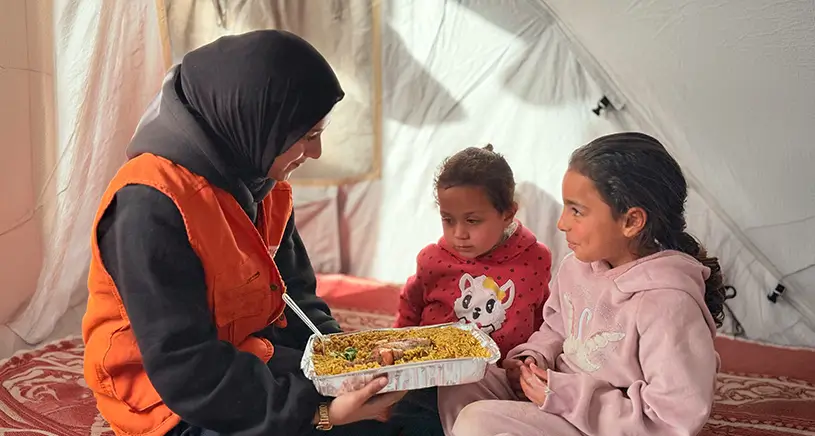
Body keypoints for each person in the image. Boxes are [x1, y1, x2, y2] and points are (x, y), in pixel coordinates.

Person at [82, 30, 404, 436]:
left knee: (400, 408)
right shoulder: (149, 206)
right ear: (258, 121)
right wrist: (320, 413)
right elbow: (186, 369)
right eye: (308, 137)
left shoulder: (261, 181)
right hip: (169, 402)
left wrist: (345, 365)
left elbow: (297, 298)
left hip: (250, 360)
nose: (317, 153)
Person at [447, 132, 728, 436]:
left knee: (476, 422)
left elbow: (672, 418)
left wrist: (564, 395)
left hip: (604, 426)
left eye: (576, 210)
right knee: (460, 375)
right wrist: (533, 358)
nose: (562, 222)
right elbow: (556, 328)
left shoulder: (668, 304)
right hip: (557, 400)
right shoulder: (575, 267)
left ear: (631, 221)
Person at [391, 144, 552, 434]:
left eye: (472, 221)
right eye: (447, 220)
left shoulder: (535, 260)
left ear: (508, 214)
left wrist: (530, 361)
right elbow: (409, 311)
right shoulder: (432, 260)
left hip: (498, 386)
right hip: (430, 385)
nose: (459, 234)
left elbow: (546, 320)